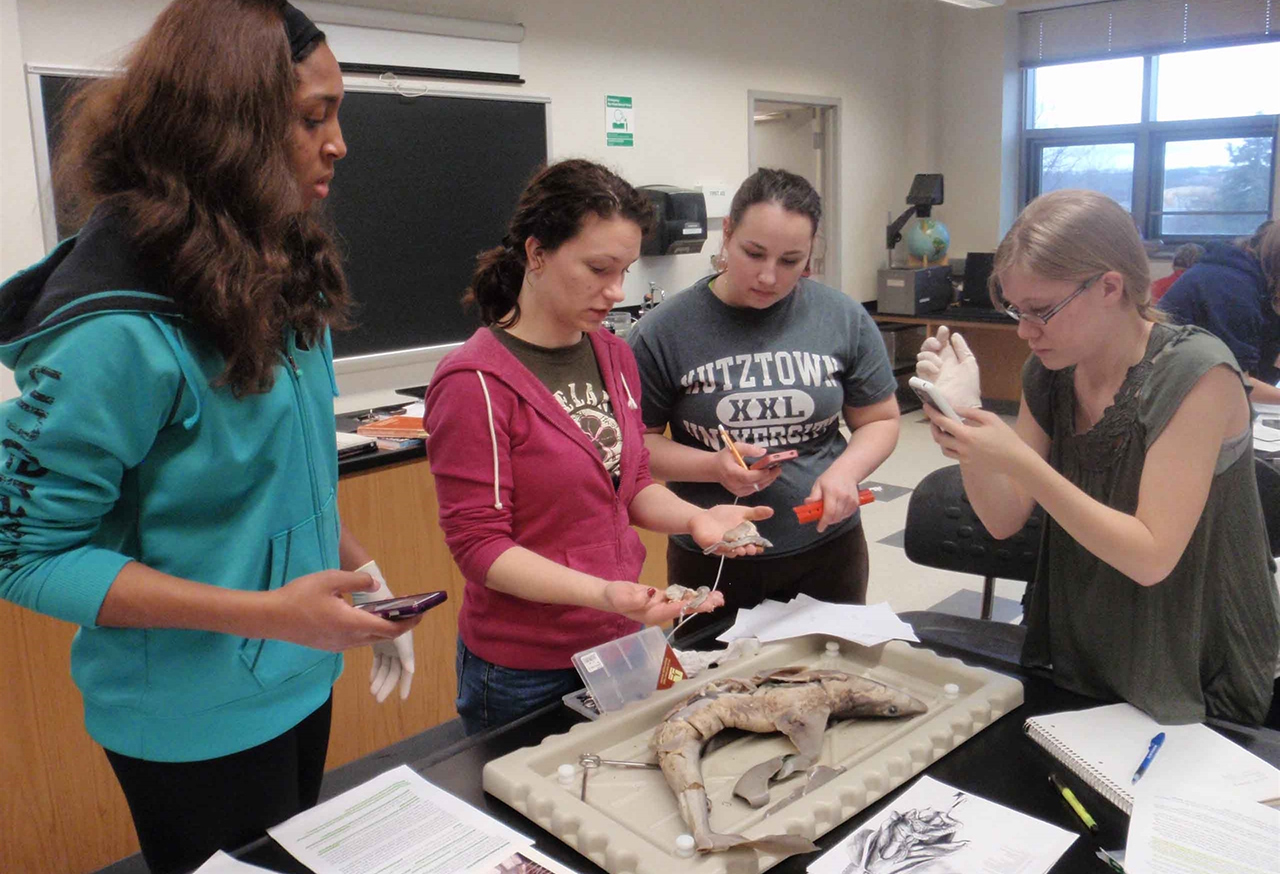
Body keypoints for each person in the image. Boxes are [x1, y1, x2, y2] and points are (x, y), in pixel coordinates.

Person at [0, 0, 423, 873]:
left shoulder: (275, 260)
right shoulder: (113, 329)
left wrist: (356, 571)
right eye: (315, 117)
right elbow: (27, 556)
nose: (339, 144)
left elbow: (283, 468)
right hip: (191, 720)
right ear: (227, 128)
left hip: (298, 674)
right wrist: (269, 613)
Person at [423, 159, 772, 734]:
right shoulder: (475, 383)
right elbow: (481, 547)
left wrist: (697, 518)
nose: (615, 291)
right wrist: (607, 594)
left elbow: (629, 484)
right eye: (598, 269)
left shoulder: (613, 354)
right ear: (536, 254)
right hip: (526, 666)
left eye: (625, 270)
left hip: (624, 640)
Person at [917, 189, 1279, 726]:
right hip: (1088, 634)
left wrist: (1017, 460)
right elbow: (1002, 519)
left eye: (1042, 311)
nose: (1024, 330)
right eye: (1016, 310)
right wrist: (968, 427)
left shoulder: (1198, 373)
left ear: (1110, 286)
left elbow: (1152, 556)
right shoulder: (1050, 371)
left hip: (1191, 646)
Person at [628, 168, 900, 625]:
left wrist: (845, 472)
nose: (769, 277)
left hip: (826, 548)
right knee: (716, 690)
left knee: (832, 684)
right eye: (753, 253)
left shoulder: (842, 317)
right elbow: (639, 447)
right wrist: (713, 466)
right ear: (727, 234)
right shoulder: (664, 331)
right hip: (713, 556)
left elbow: (880, 419)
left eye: (791, 260)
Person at [1158, 221, 1280, 403]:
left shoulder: (1251, 282)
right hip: (1164, 397)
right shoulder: (1231, 286)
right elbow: (1235, 382)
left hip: (1190, 393)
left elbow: (1264, 371)